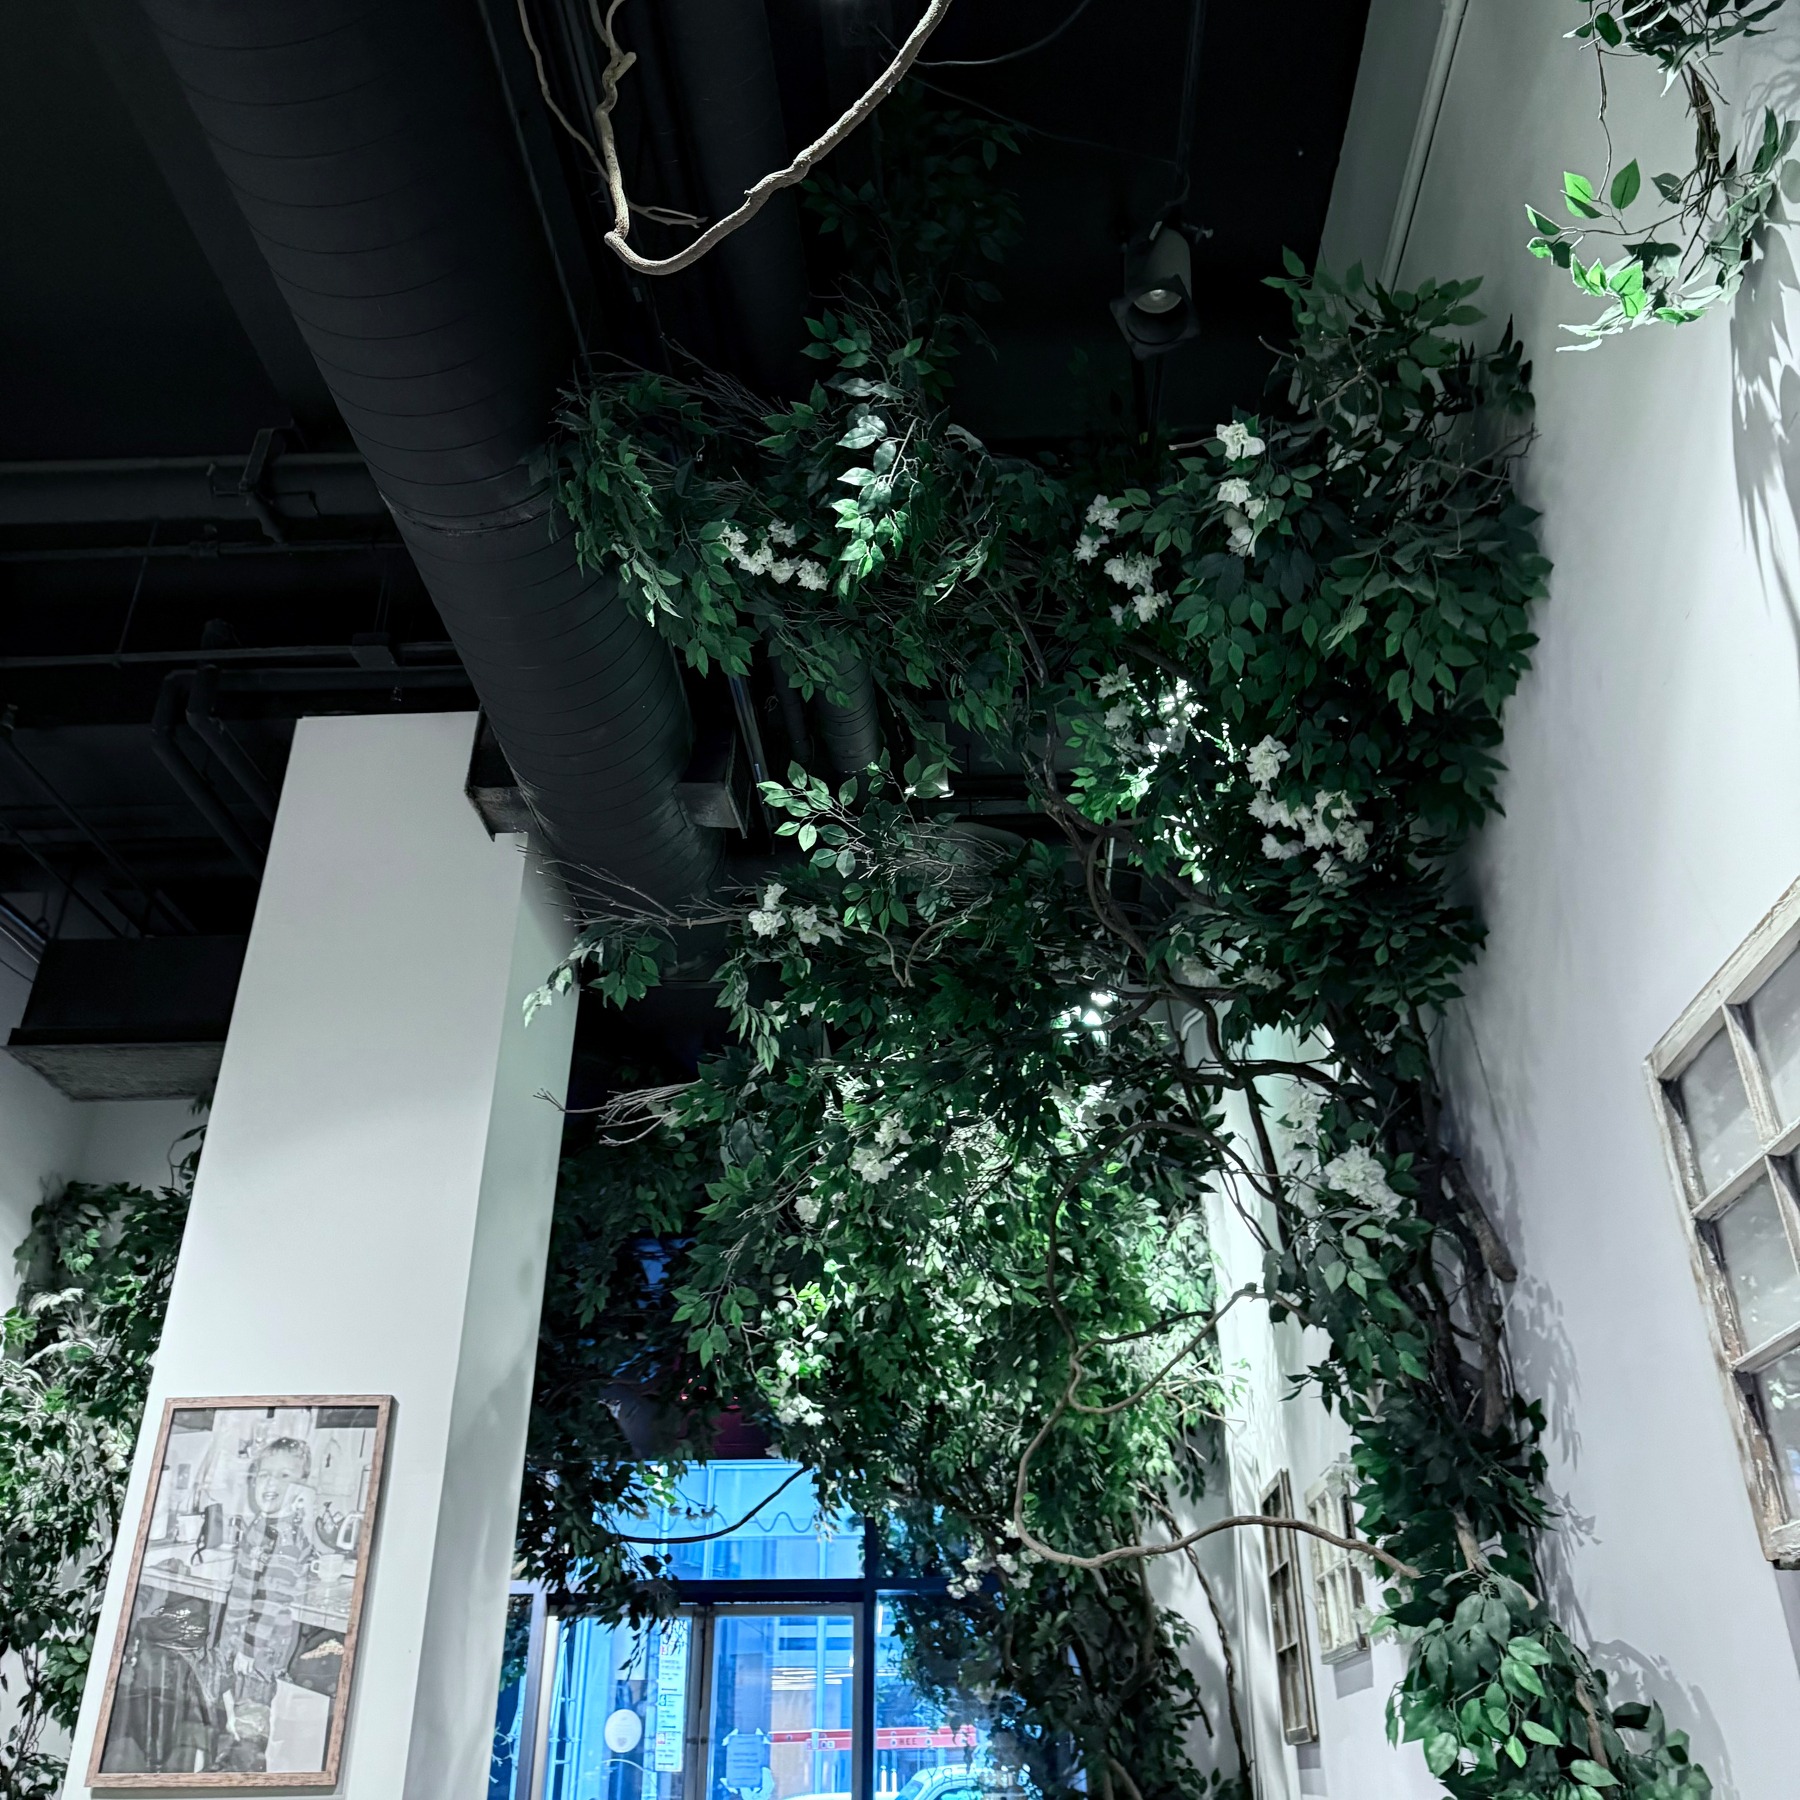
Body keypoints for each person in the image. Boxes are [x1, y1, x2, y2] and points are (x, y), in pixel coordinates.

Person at [207, 1435, 317, 1770]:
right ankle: (232, 1765)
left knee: (252, 1717)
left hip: (261, 1645)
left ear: (302, 1487)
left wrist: (249, 1648)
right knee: (236, 1714)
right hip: (246, 1640)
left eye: (285, 1476)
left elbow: (270, 1597)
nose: (271, 1482)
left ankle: (244, 1773)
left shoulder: (283, 1533)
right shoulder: (264, 1524)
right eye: (265, 1474)